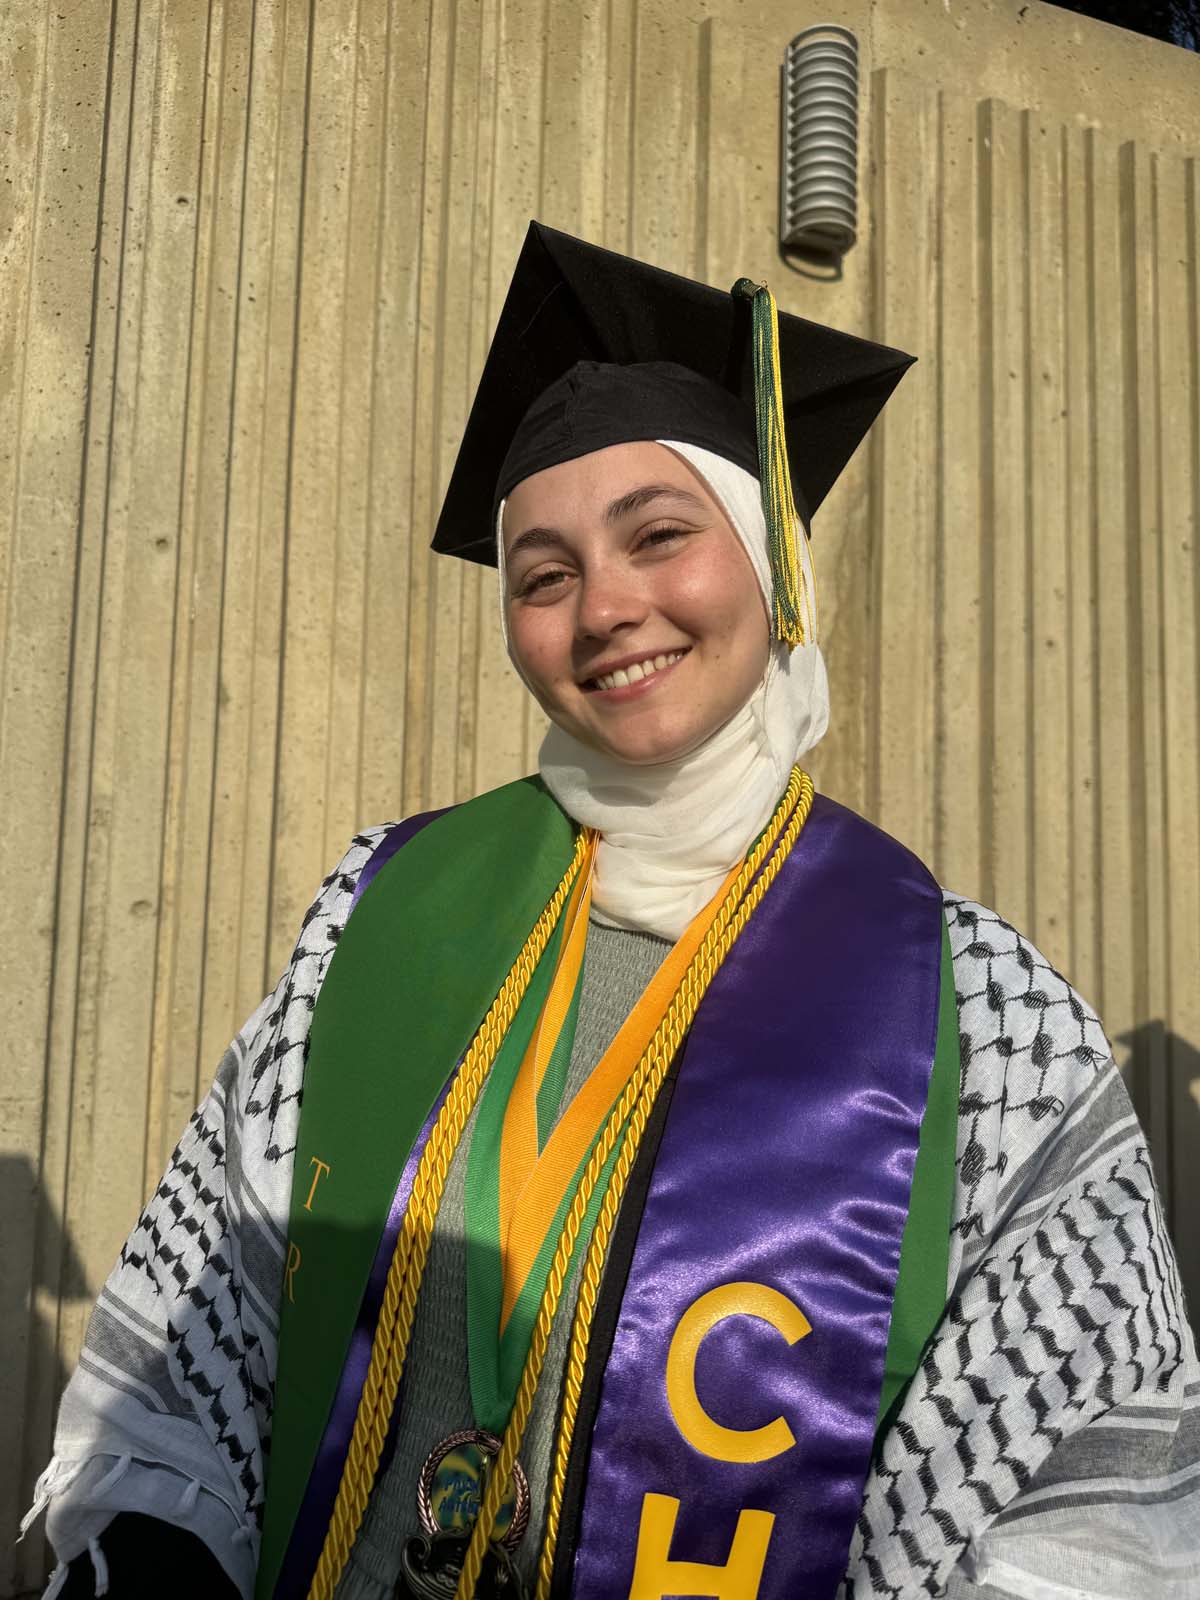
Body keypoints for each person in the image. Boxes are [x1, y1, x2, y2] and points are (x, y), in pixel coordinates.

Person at [25, 223, 1199, 1600]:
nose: (605, 609)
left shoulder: (975, 1010)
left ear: (773, 565)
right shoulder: (380, 914)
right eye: (543, 574)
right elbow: (203, 1318)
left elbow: (1080, 1497)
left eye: (660, 536)